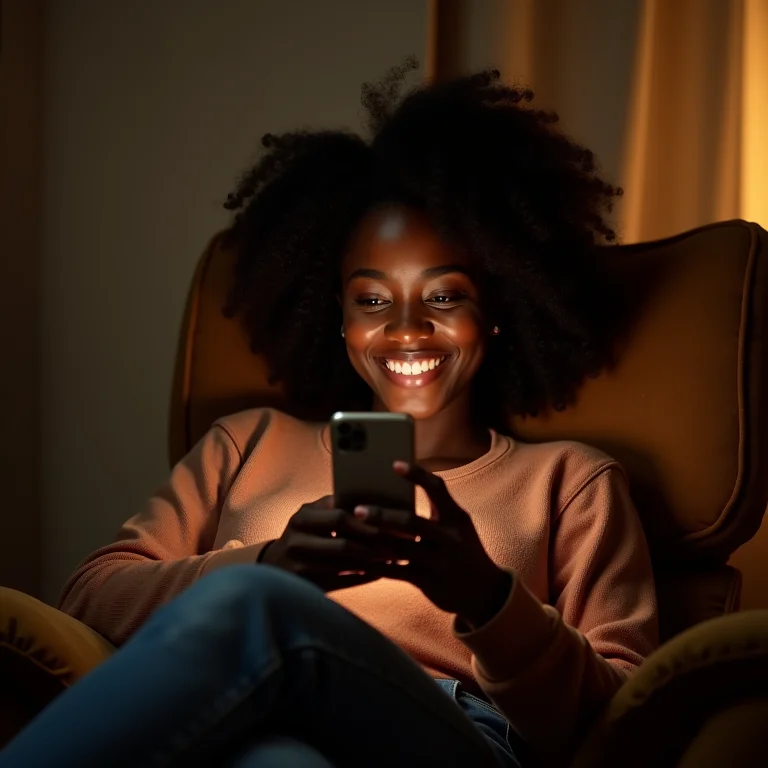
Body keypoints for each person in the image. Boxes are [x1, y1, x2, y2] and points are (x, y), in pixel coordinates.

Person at [0, 58, 657, 768]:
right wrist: (276, 559)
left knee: (259, 605)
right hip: (252, 725)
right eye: (372, 301)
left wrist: (488, 599)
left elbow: (622, 719)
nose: (407, 330)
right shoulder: (246, 442)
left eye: (444, 297)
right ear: (337, 318)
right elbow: (89, 598)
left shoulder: (569, 482)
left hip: (454, 738)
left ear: (494, 314)